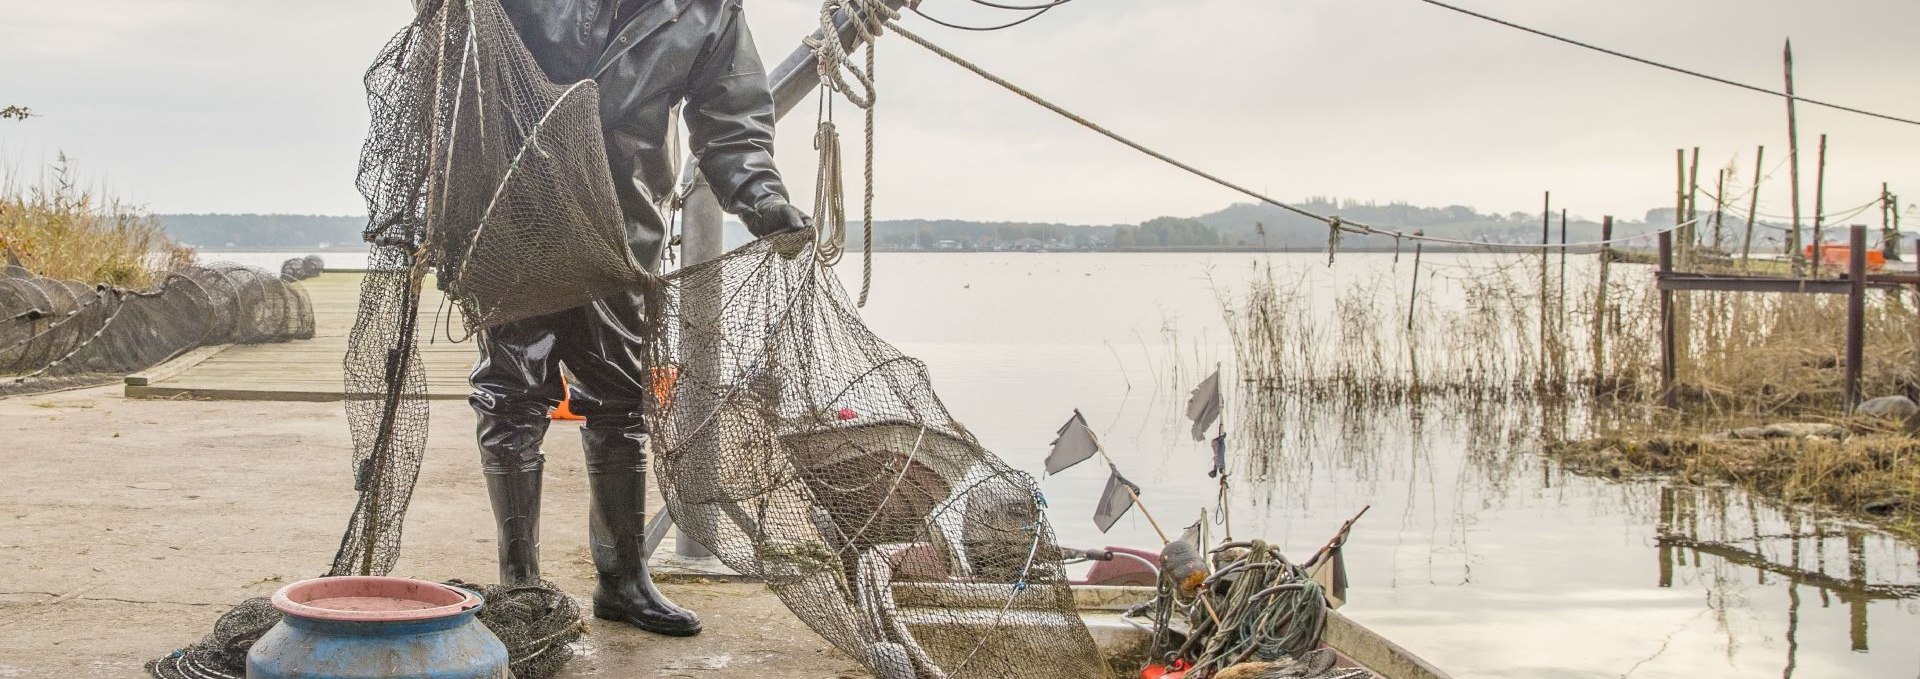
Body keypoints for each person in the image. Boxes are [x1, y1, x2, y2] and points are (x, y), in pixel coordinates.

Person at [467, 0, 808, 638]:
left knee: (622, 403)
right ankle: (521, 583)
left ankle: (621, 579)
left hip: (624, 232)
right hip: (513, 219)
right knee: (511, 397)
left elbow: (730, 121)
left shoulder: (710, 12)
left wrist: (761, 196)